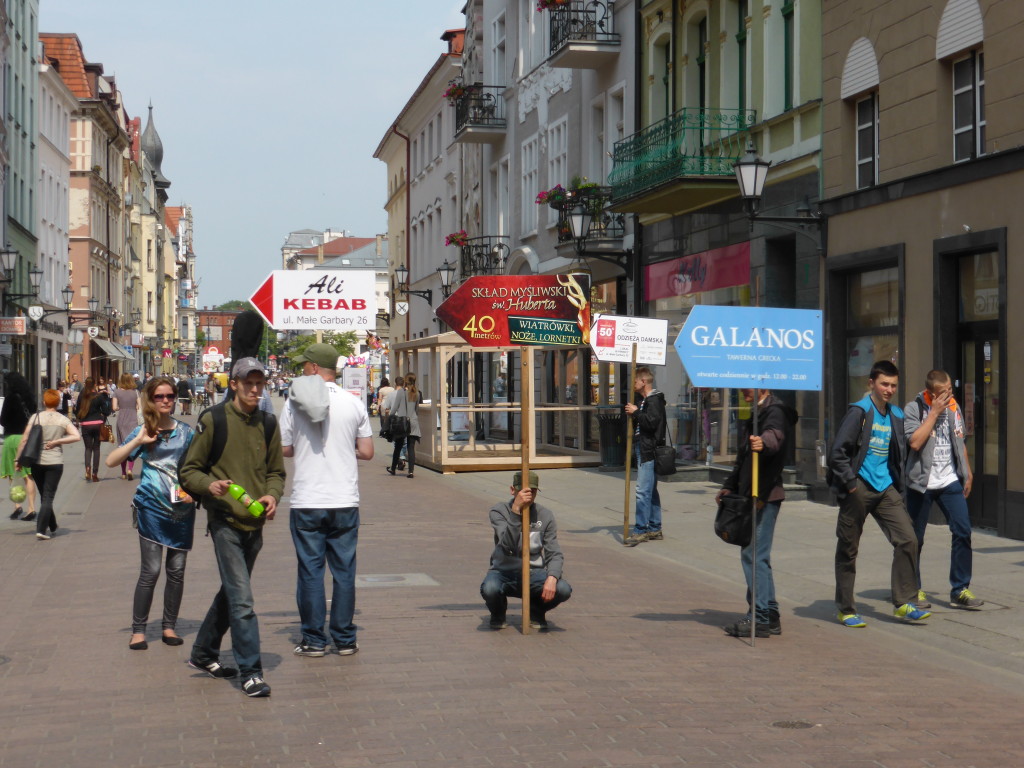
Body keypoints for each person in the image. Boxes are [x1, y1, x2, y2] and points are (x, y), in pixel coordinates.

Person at [179, 357, 285, 697]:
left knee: (231, 592)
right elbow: (190, 470)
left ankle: (203, 653)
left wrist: (272, 495)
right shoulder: (214, 420)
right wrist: (209, 486)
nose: (255, 389)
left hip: (255, 523)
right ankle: (251, 672)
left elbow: (276, 472)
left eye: (260, 383)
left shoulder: (268, 423)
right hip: (224, 521)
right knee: (242, 600)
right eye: (248, 383)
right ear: (234, 384)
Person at [280, 343, 374, 657]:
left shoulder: (293, 402)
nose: (302, 370)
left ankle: (314, 640)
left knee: (310, 571)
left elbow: (285, 448)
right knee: (344, 571)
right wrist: (344, 450)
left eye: (305, 365)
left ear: (315, 368)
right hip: (344, 499)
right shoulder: (354, 402)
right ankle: (345, 639)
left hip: (307, 499)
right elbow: (368, 452)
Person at [829, 360, 930, 627]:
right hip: (859, 486)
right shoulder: (859, 412)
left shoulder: (895, 414)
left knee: (908, 539)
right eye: (884, 384)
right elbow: (837, 453)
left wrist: (899, 486)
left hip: (885, 488)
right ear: (871, 383)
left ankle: (904, 602)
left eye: (893, 385)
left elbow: (901, 454)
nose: (889, 389)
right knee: (848, 549)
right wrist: (851, 484)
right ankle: (846, 608)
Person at [106, 377, 197, 648]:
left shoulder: (186, 432)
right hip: (150, 506)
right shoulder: (143, 430)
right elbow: (111, 461)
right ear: (150, 399)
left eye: (170, 395)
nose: (166, 400)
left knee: (177, 570)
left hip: (181, 508)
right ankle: (139, 630)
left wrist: (195, 492)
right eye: (159, 396)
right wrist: (138, 442)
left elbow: (197, 467)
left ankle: (169, 626)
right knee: (151, 570)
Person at [716, 389, 799, 638]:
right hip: (751, 491)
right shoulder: (757, 412)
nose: (743, 391)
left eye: (746, 386)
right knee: (757, 555)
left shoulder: (774, 411)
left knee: (753, 555)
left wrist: (763, 443)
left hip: (764, 494)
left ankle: (760, 616)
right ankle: (769, 614)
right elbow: (743, 456)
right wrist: (729, 485)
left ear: (762, 386)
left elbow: (774, 438)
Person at [904, 370, 983, 610]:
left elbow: (959, 440)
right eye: (944, 392)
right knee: (914, 539)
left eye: (950, 389)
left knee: (963, 531)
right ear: (930, 392)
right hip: (921, 483)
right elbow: (915, 442)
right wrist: (934, 412)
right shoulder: (914, 409)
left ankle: (959, 589)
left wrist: (966, 471)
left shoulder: (953, 407)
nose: (949, 394)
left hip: (949, 480)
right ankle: (913, 590)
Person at [480, 470, 572, 630]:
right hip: (503, 571)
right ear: (512, 490)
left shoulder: (545, 515)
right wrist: (516, 510)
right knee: (490, 588)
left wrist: (552, 577)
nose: (528, 496)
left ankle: (536, 611)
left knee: (562, 589)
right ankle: (498, 613)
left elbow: (554, 552)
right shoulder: (499, 511)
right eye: (523, 492)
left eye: (533, 492)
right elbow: (507, 545)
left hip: (534, 573)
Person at [15, 388, 78, 539]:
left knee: (45, 494)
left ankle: (47, 527)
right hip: (55, 462)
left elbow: (24, 439)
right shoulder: (62, 419)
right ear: (58, 402)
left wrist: (18, 459)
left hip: (37, 461)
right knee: (48, 496)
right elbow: (76, 436)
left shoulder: (36, 418)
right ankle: (45, 528)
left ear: (44, 402)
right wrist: (58, 441)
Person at [624, 367, 667, 545]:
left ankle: (641, 529)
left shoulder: (654, 400)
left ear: (643, 382)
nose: (633, 384)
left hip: (649, 450)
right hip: (645, 447)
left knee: (642, 491)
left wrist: (635, 412)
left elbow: (651, 422)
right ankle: (655, 527)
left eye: (635, 381)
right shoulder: (645, 400)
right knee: (651, 489)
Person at [2, 372, 37, 521]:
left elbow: (3, 420)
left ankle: (17, 506)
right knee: (28, 475)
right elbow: (35, 415)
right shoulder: (30, 397)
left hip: (12, 438)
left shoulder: (10, 398)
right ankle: (31, 508)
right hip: (27, 438)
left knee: (13, 473)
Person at [385, 373, 421, 478]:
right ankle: (411, 472)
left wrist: (390, 418)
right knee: (411, 447)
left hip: (402, 422)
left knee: (398, 446)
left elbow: (394, 408)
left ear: (405, 381)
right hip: (413, 421)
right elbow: (416, 410)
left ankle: (393, 469)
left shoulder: (401, 392)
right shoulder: (417, 393)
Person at [76, 377, 112, 482]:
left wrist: (80, 418)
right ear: (94, 385)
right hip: (97, 424)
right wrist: (102, 414)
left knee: (88, 448)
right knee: (96, 448)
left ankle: (87, 467)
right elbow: (106, 411)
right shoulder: (98, 396)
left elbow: (77, 410)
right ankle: (95, 473)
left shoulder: (82, 396)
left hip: (86, 425)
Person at [113, 372, 141, 480]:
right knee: (131, 446)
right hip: (133, 419)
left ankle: (123, 472)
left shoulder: (117, 392)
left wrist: (121, 407)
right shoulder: (136, 392)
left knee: (122, 446)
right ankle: (130, 469)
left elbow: (114, 407)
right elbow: (140, 406)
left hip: (122, 420)